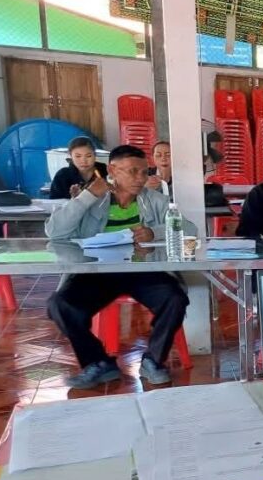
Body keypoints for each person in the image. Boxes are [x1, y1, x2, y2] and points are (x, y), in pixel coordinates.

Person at [45, 145, 195, 388]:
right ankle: (98, 362)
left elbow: (189, 228)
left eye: (144, 172)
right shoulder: (92, 199)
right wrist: (87, 196)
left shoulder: (154, 199)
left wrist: (153, 232)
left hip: (143, 271)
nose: (140, 178)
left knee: (175, 298)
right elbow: (54, 232)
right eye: (132, 171)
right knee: (60, 304)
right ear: (112, 170)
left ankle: (153, 360)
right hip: (97, 272)